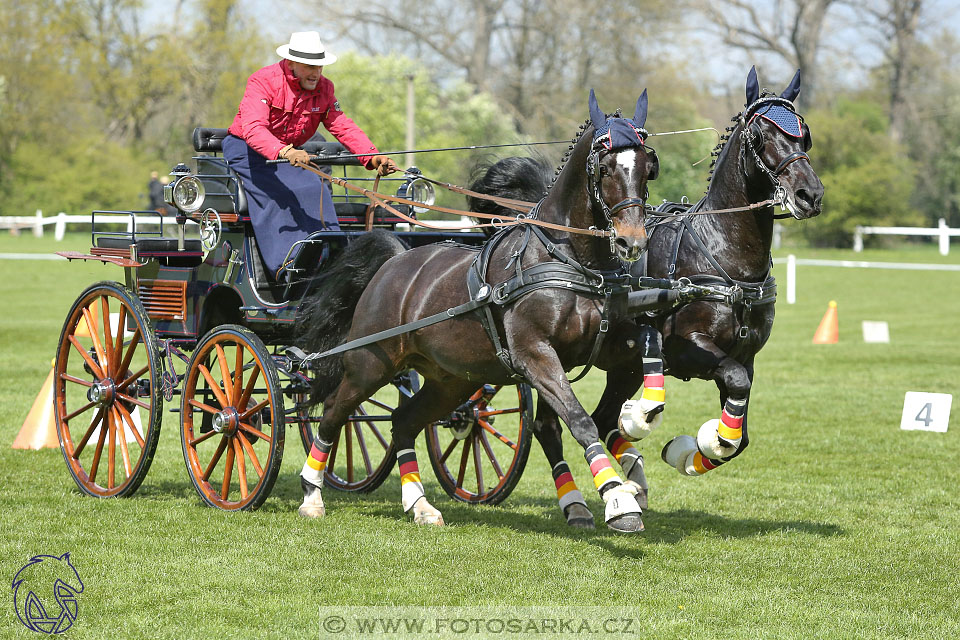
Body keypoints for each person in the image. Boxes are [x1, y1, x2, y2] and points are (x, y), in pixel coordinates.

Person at [223, 31, 399, 279]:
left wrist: (371, 157)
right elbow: (253, 129)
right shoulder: (263, 81)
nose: (316, 73)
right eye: (309, 66)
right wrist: (284, 151)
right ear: (291, 62)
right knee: (282, 192)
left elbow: (342, 125)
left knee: (314, 188)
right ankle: (287, 266)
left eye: (319, 66)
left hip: (286, 153)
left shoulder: (324, 88)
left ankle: (332, 255)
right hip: (247, 151)